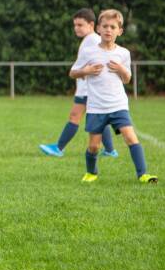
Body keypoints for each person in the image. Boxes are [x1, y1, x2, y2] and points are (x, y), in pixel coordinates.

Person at [69, 9, 158, 184]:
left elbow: (127, 79)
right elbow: (72, 73)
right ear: (98, 29)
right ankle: (91, 172)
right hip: (96, 107)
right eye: (105, 26)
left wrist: (121, 70)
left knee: (131, 137)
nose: (109, 30)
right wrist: (85, 71)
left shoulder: (123, 53)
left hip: (118, 105)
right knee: (94, 146)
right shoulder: (89, 52)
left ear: (120, 31)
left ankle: (143, 174)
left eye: (113, 27)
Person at [40, 9, 118, 158]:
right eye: (75, 25)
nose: (76, 28)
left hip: (88, 90)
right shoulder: (89, 40)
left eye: (80, 25)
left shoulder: (94, 40)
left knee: (74, 116)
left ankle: (58, 148)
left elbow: (100, 63)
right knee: (100, 120)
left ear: (91, 25)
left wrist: (86, 72)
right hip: (86, 89)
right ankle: (110, 150)